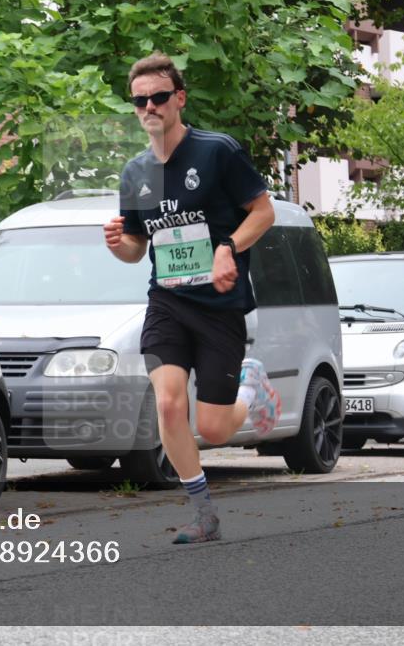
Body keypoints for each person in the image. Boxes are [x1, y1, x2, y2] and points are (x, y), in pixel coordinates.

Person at [104, 52, 280, 544]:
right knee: (167, 405)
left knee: (217, 429)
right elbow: (138, 250)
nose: (150, 107)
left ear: (179, 99)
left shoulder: (216, 152)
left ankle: (252, 391)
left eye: (160, 97)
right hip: (167, 303)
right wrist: (121, 245)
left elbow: (263, 213)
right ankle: (203, 515)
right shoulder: (134, 173)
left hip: (219, 306)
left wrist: (228, 247)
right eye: (140, 101)